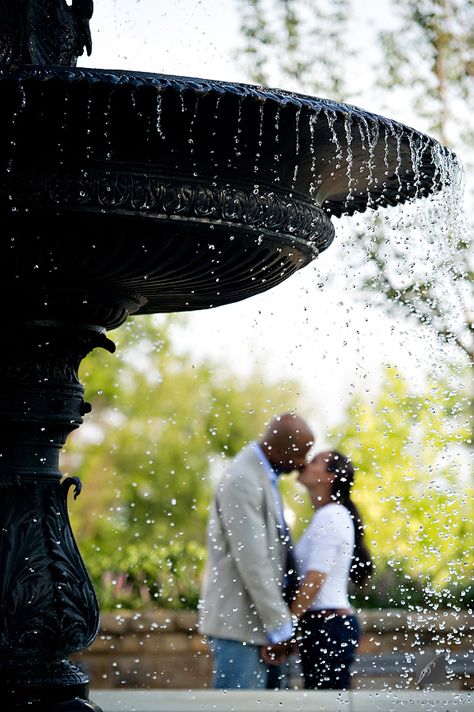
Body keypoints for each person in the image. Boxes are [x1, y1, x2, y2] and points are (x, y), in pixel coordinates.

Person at [198, 412, 314, 689]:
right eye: (301, 455)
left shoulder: (262, 476)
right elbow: (254, 562)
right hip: (240, 628)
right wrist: (280, 627)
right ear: (276, 450)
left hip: (259, 628)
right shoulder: (242, 479)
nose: (304, 464)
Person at [290, 450, 372, 689]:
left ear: (329, 477)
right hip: (324, 627)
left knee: (326, 704)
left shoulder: (332, 515)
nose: (305, 463)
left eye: (314, 461)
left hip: (328, 628)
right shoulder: (328, 515)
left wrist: (286, 629)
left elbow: (315, 579)